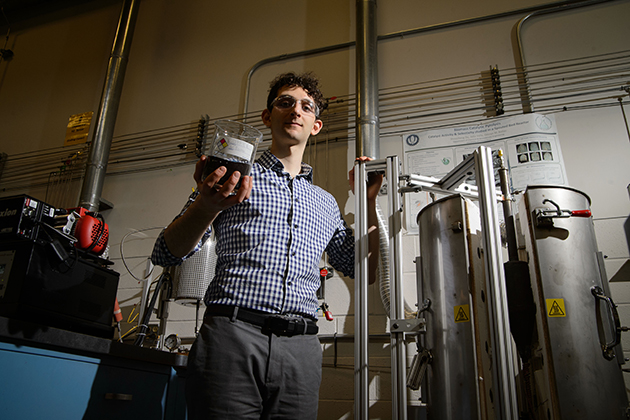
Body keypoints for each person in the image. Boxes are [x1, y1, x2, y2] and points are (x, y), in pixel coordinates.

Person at [151, 72, 382, 419]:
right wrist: (206, 205)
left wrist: (367, 203)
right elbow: (165, 252)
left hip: (302, 348)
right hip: (232, 337)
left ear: (315, 126)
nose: (295, 111)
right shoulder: (232, 179)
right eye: (285, 102)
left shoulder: (325, 202)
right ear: (267, 115)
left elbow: (363, 271)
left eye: (306, 107)